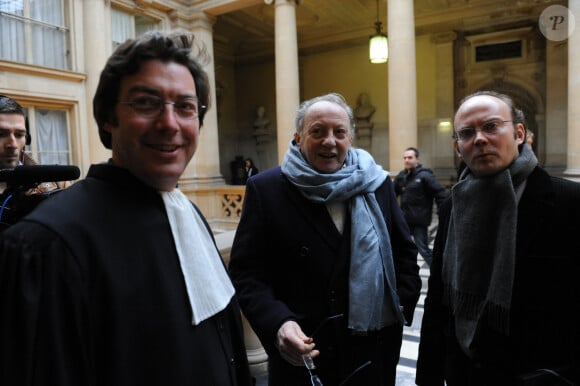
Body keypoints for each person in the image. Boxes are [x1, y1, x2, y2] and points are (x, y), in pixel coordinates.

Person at [0, 32, 252, 386]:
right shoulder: (44, 245)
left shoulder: (190, 214)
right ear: (107, 117)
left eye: (186, 107)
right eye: (146, 103)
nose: (170, 123)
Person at [229, 93, 422, 386]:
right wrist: (279, 323)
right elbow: (247, 273)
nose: (329, 141)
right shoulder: (266, 189)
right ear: (298, 138)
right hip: (305, 353)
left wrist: (399, 306)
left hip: (372, 348)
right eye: (317, 131)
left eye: (339, 132)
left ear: (350, 139)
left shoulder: (378, 183)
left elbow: (404, 253)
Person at [416, 90, 580, 385]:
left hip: (541, 373)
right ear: (458, 147)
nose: (479, 139)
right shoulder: (453, 205)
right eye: (466, 133)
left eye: (491, 126)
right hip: (466, 374)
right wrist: (428, 376)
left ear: (519, 133)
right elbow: (439, 300)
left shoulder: (569, 201)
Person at [394, 147, 448, 267]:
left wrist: (443, 214)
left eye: (410, 157)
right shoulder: (402, 176)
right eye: (405, 158)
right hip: (404, 220)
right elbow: (392, 193)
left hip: (419, 221)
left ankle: (439, 273)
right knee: (401, 247)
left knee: (423, 249)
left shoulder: (425, 175)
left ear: (417, 159)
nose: (407, 160)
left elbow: (440, 193)